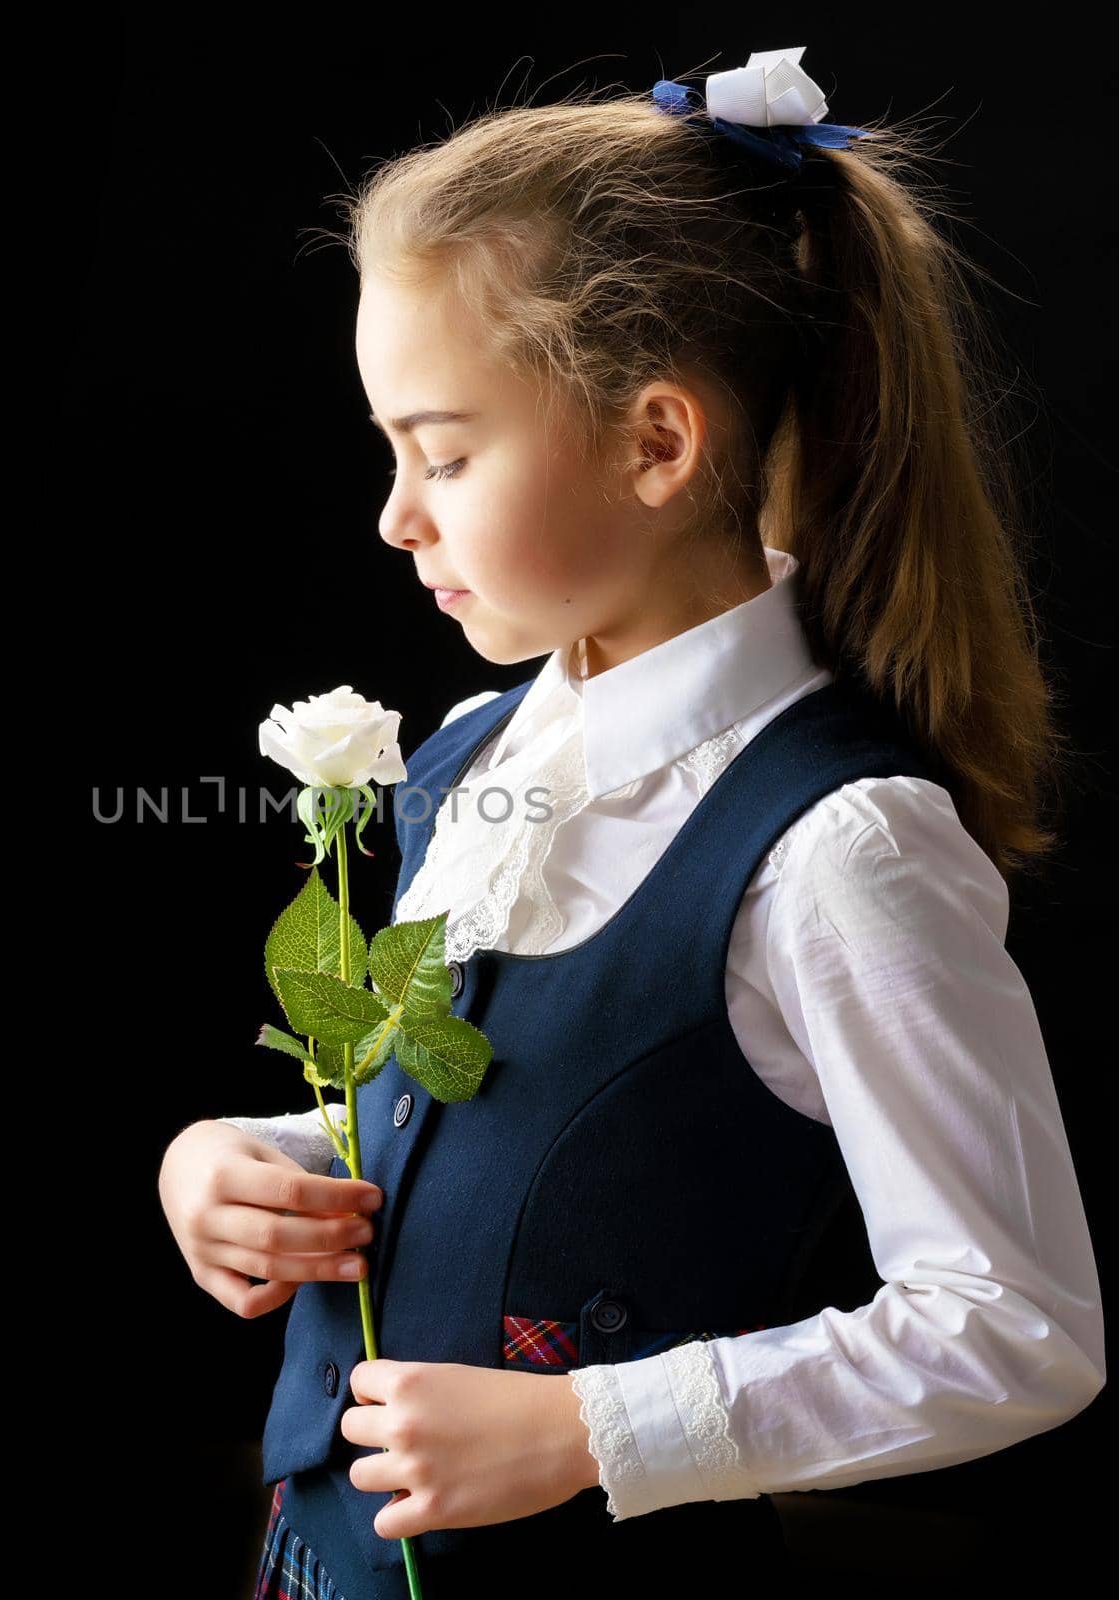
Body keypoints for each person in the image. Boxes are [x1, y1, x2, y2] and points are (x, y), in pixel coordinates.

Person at [156, 49, 1105, 1596]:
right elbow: (462, 1114)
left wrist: (593, 1430)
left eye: (445, 454)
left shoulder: (840, 848)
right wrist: (240, 1162)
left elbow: (1016, 1325)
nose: (396, 516)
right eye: (392, 453)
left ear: (659, 445)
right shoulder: (468, 757)